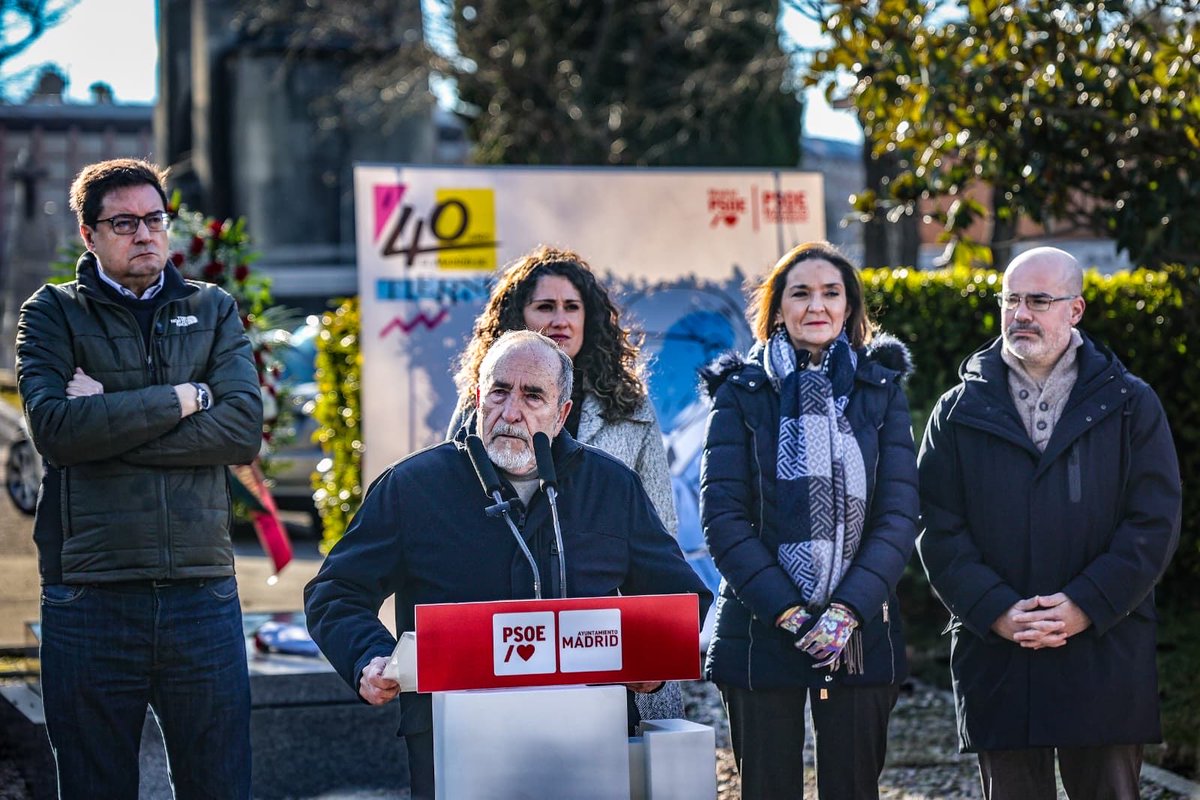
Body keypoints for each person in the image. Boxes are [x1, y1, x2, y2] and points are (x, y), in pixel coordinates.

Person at [306, 330, 711, 800]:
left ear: (561, 415)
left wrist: (649, 663)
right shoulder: (413, 487)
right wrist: (368, 657)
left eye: (532, 395)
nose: (511, 410)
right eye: (499, 390)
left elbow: (682, 597)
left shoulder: (610, 486)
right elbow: (334, 592)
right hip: (451, 736)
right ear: (478, 396)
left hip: (588, 736)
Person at [15, 158, 264, 798]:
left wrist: (107, 420)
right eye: (124, 222)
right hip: (89, 598)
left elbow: (239, 432)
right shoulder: (52, 315)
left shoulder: (213, 309)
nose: (146, 234)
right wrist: (185, 397)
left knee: (220, 787)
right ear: (88, 232)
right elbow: (57, 433)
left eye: (155, 219)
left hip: (200, 595)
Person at [916, 246, 1181, 800]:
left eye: (1039, 300)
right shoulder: (957, 410)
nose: (1020, 314)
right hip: (1000, 653)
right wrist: (996, 611)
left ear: (1076, 309)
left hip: (1103, 651)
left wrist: (1085, 605)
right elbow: (937, 527)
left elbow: (1152, 524)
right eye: (1011, 299)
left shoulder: (1131, 403)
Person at [700, 241, 919, 799]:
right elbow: (724, 518)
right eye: (801, 293)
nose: (816, 305)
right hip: (759, 625)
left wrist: (845, 611)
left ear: (849, 308)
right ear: (777, 309)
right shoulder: (740, 392)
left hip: (860, 628)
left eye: (831, 293)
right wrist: (792, 613)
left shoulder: (881, 390)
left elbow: (897, 515)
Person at [448, 245, 684, 720]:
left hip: (603, 641)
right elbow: (455, 507)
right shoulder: (482, 409)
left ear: (589, 318)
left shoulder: (630, 408)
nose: (559, 319)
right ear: (517, 317)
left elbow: (661, 529)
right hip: (507, 637)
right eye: (545, 306)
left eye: (571, 306)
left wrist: (650, 648)